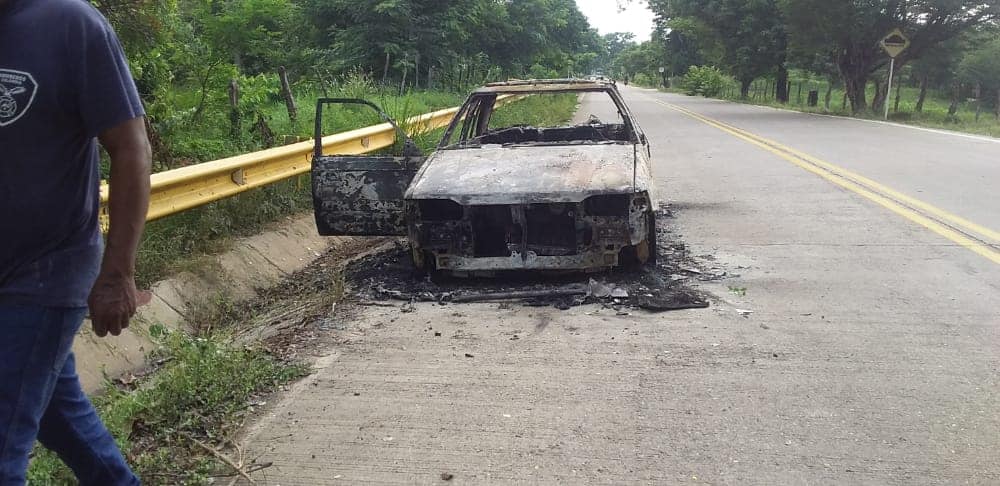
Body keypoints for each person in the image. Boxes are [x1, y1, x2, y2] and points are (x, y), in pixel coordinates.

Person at [0, 0, 151, 483]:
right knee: (60, 419)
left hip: (44, 272)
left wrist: (118, 272)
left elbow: (131, 148)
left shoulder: (71, 23)